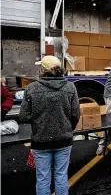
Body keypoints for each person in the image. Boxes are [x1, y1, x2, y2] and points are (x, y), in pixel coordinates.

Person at [19, 55, 80, 195]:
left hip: (40, 141)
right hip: (64, 139)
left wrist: (39, 120)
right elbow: (75, 114)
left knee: (42, 178)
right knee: (61, 176)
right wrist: (67, 128)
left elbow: (23, 116)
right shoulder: (70, 87)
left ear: (43, 70)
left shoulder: (32, 88)